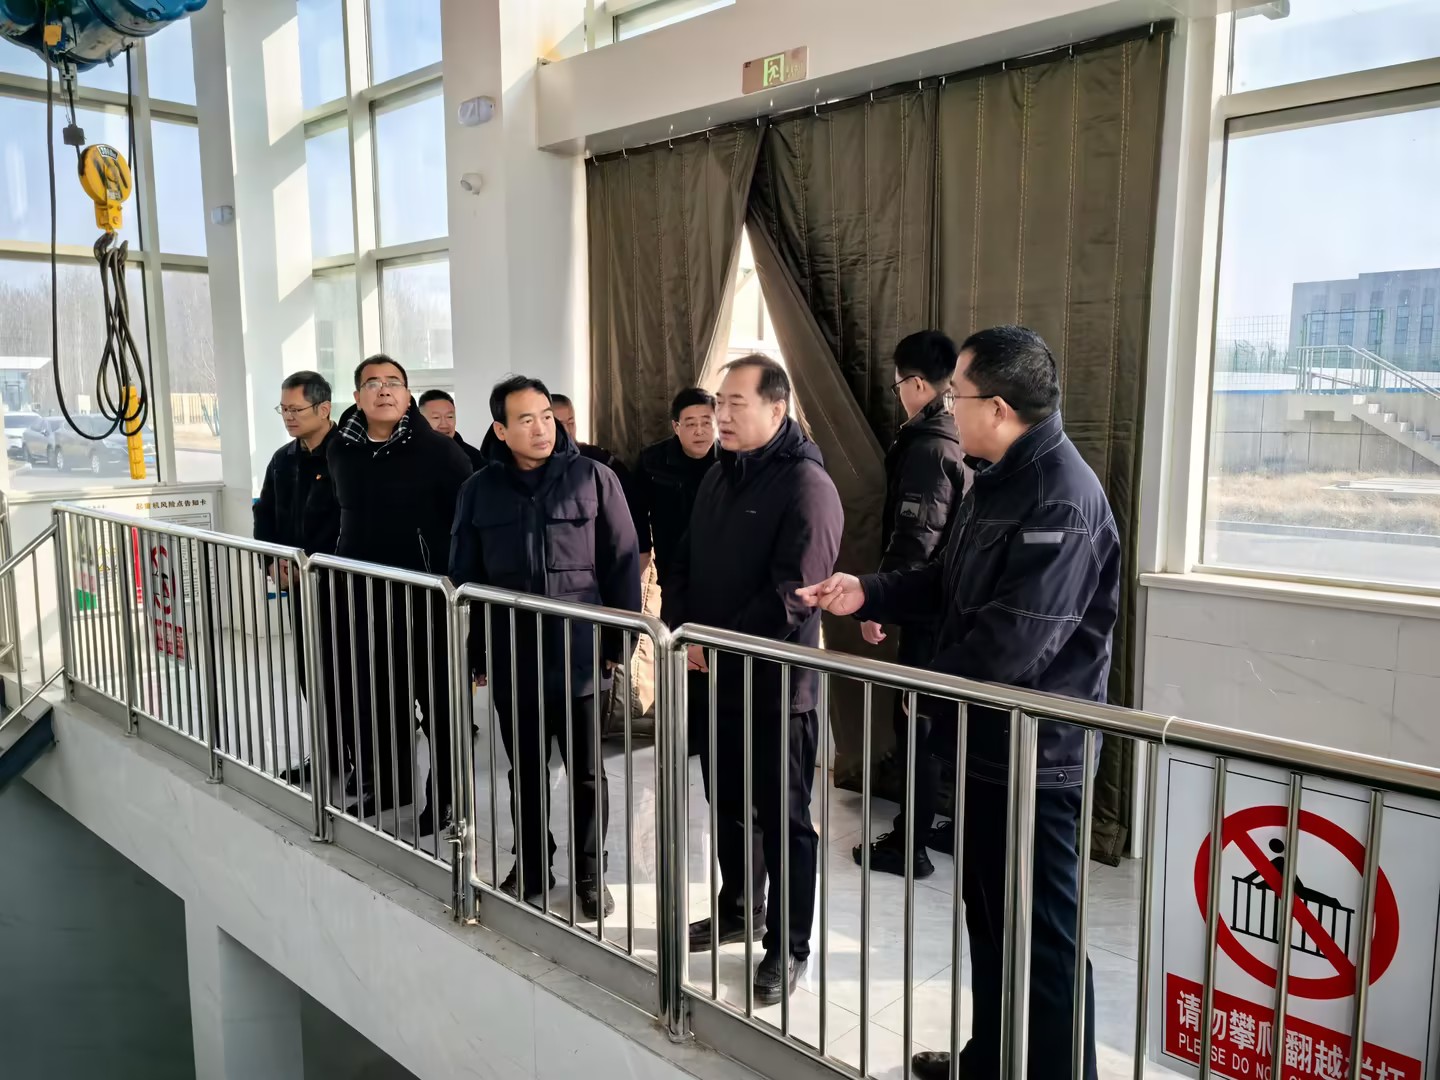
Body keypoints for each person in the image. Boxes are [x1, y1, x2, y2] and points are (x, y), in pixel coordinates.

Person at [797, 326, 1119, 1080]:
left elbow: (1015, 644)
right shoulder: (995, 477)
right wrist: (866, 591)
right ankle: (992, 1061)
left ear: (998, 408)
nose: (948, 408)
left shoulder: (1061, 497)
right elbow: (944, 582)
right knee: (990, 921)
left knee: (1042, 939)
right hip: (985, 745)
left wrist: (926, 690)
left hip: (1037, 759)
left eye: (957, 396)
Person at [663, 354, 843, 1005]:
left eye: (736, 403)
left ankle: (789, 946)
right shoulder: (720, 473)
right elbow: (683, 560)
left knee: (784, 818)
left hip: (776, 689)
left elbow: (794, 595)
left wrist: (717, 645)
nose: (722, 415)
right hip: (716, 676)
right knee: (730, 805)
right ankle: (741, 908)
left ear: (778, 407)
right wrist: (683, 628)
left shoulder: (806, 485)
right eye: (719, 403)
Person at [450, 376, 641, 920]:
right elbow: (466, 579)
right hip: (515, 657)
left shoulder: (594, 478)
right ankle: (532, 865)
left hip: (581, 657)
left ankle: (589, 874)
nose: (540, 428)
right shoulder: (479, 490)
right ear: (500, 429)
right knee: (526, 770)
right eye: (526, 419)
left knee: (587, 773)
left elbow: (622, 563)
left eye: (546, 417)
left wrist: (619, 642)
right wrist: (477, 653)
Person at [328, 355, 473, 833]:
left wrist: (455, 582)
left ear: (408, 395)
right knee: (380, 698)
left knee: (437, 704)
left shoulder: (439, 452)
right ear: (357, 397)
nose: (384, 390)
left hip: (426, 598)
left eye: (394, 382)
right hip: (364, 596)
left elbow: (465, 523)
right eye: (372, 383)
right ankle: (391, 785)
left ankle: (447, 796)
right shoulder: (341, 450)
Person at [853, 331, 969, 879]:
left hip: (930, 611)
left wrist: (879, 602)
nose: (898, 393)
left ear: (918, 383)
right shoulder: (960, 435)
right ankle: (952, 827)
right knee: (947, 724)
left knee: (916, 724)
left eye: (899, 383)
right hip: (957, 609)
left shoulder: (928, 448)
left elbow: (914, 540)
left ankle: (910, 846)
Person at [253, 370, 339, 785]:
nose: (288, 417)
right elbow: (265, 515)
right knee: (311, 671)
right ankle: (329, 753)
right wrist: (272, 563)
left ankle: (367, 760)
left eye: (296, 409)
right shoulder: (282, 460)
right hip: (300, 586)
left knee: (348, 675)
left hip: (344, 586)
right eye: (283, 409)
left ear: (324, 409)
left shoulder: (347, 456)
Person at [633, 387, 717, 586]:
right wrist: (643, 552)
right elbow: (636, 514)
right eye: (691, 424)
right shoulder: (652, 462)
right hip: (673, 567)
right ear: (676, 427)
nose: (699, 431)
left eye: (707, 422)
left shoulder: (733, 461)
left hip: (723, 568)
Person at [418, 388, 487, 471]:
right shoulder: (409, 456)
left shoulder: (474, 458)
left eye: (449, 417)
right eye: (436, 417)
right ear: (420, 420)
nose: (444, 425)